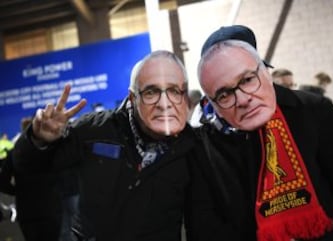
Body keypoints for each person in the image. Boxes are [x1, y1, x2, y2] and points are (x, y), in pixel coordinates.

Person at [186, 25, 333, 241]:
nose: (243, 99)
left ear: (266, 72)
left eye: (248, 80)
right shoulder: (204, 146)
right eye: (224, 94)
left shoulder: (312, 111)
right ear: (211, 103)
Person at [12, 50, 196, 241]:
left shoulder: (193, 147)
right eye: (151, 92)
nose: (164, 103)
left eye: (174, 91)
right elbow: (28, 167)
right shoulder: (93, 130)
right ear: (133, 98)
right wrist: (38, 139)